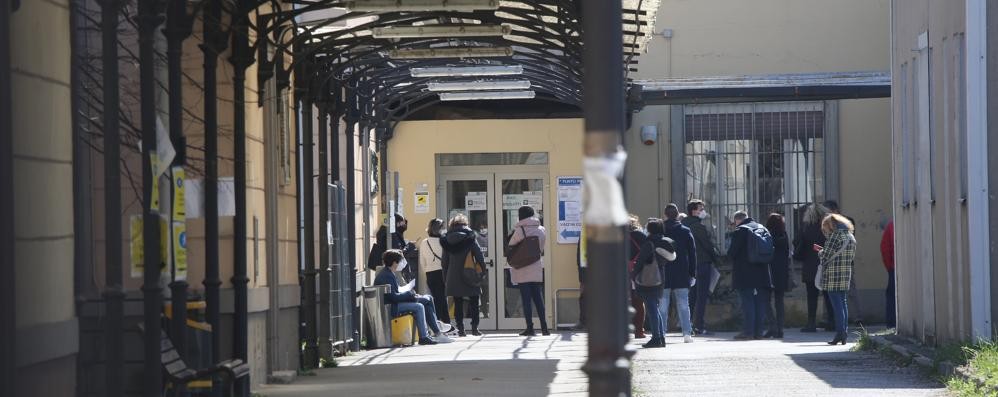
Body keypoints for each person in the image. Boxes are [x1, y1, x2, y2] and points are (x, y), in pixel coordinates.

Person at [374, 249, 452, 345]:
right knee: (419, 306)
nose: (402, 263)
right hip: (391, 307)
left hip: (394, 303)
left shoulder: (388, 273)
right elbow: (393, 297)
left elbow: (396, 292)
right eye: (400, 261)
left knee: (428, 298)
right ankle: (428, 334)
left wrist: (411, 294)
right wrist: (410, 295)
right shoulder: (387, 275)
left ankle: (435, 330)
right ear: (394, 262)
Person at [727, 211, 774, 340]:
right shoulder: (762, 228)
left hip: (745, 273)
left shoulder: (741, 230)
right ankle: (759, 332)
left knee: (747, 302)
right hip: (763, 271)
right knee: (760, 302)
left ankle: (748, 332)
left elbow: (732, 253)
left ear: (737, 220)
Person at [440, 214, 487, 337]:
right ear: (465, 224)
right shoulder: (471, 237)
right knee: (474, 301)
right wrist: (483, 270)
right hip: (470, 272)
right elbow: (478, 255)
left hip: (453, 274)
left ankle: (461, 329)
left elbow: (444, 262)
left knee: (458, 302)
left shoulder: (446, 239)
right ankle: (475, 328)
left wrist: (445, 277)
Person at [508, 205, 549, 336]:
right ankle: (544, 328)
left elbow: (511, 246)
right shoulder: (542, 229)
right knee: (538, 298)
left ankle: (530, 328)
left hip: (522, 267)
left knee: (526, 299)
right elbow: (541, 247)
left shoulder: (520, 230)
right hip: (536, 265)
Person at [816, 214, 858, 345]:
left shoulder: (835, 236)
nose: (825, 231)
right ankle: (843, 332)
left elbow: (826, 255)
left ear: (830, 225)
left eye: (825, 228)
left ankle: (840, 333)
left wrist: (820, 252)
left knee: (837, 306)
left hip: (834, 275)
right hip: (845, 274)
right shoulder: (850, 236)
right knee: (843, 304)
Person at [634, 219, 675, 348]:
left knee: (652, 309)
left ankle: (656, 338)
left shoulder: (650, 243)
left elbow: (641, 261)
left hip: (648, 280)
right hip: (659, 278)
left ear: (651, 230)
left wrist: (633, 274)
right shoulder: (664, 242)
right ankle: (661, 337)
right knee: (655, 309)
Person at [823, 200, 864, 325]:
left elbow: (836, 243)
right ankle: (841, 322)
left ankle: (856, 318)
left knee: (847, 293)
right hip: (844, 262)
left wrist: (824, 251)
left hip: (842, 263)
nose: (826, 215)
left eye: (828, 211)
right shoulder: (839, 224)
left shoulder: (842, 224)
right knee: (843, 297)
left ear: (834, 210)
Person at [683, 199, 720, 336]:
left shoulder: (684, 224)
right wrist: (716, 259)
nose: (703, 211)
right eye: (701, 208)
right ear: (694, 211)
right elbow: (707, 245)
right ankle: (699, 325)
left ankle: (688, 324)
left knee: (691, 296)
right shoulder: (697, 226)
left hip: (689, 265)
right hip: (702, 263)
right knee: (701, 296)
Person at [661, 204, 697, 343]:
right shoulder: (685, 230)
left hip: (664, 270)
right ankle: (687, 333)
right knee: (683, 304)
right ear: (677, 215)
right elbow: (692, 253)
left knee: (663, 304)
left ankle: (661, 332)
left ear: (665, 214)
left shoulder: (660, 230)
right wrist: (692, 273)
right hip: (682, 271)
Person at [794, 203, 832, 332]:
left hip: (810, 265)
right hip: (827, 263)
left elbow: (797, 242)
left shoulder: (806, 227)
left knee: (812, 296)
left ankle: (811, 323)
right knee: (829, 295)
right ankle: (832, 321)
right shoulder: (828, 227)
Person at [419, 218, 452, 331]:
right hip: (442, 272)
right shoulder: (444, 241)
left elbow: (422, 262)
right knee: (442, 299)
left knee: (437, 298)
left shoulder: (424, 242)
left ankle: (441, 324)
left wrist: (427, 270)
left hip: (430, 273)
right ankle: (443, 324)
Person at [763, 213, 790, 339]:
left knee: (766, 301)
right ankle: (780, 329)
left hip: (769, 271)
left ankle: (772, 326)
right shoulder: (784, 235)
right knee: (780, 302)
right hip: (782, 272)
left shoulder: (768, 236)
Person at [627, 214, 649, 339]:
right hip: (638, 271)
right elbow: (649, 249)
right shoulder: (640, 235)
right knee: (638, 302)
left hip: (622, 272)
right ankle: (639, 330)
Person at [881, 220, 896, 328]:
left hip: (894, 267)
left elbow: (885, 248)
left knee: (892, 296)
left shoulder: (891, 225)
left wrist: (889, 266)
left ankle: (891, 324)